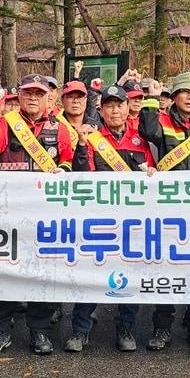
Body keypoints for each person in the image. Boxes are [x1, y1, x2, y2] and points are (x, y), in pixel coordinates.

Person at [0, 74, 75, 355]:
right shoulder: (6, 123)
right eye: (28, 92)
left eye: (39, 93)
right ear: (18, 96)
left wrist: (62, 171)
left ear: (48, 97)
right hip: (8, 210)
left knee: (41, 273)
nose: (33, 98)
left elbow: (66, 158)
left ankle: (40, 331)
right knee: (3, 271)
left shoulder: (60, 128)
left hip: (44, 213)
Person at [67, 84, 157, 352]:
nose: (115, 110)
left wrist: (152, 175)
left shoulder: (142, 139)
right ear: (101, 109)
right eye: (109, 105)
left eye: (119, 105)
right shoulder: (93, 138)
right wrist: (82, 145)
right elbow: (83, 175)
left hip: (134, 222)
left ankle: (126, 327)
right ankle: (80, 330)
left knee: (129, 274)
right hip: (101, 220)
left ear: (128, 108)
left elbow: (154, 173)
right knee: (91, 275)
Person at [138, 71, 190, 350]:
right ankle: (162, 327)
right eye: (184, 92)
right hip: (168, 207)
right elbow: (147, 131)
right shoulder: (160, 121)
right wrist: (151, 98)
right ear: (173, 97)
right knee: (167, 268)